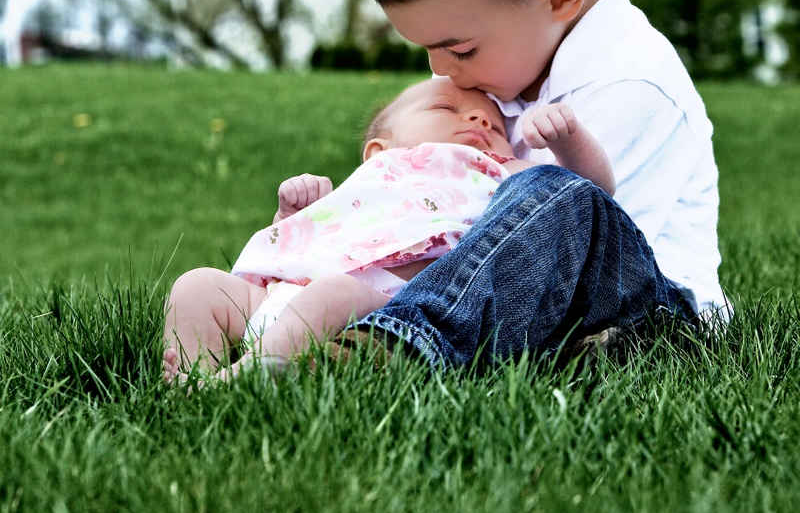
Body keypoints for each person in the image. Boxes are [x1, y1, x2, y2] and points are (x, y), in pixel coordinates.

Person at [348, 0, 730, 370]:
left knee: (553, 192)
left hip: (648, 305)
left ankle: (403, 342)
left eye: (460, 49)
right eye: (428, 50)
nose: (441, 70)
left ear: (560, 0)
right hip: (502, 286)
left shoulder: (632, 80)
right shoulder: (489, 70)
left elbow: (572, 235)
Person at [162, 77, 613, 383]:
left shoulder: (497, 169)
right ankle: (191, 376)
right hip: (283, 295)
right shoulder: (374, 177)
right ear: (379, 149)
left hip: (384, 306)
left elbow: (582, 198)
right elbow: (310, 240)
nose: (480, 121)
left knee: (333, 290)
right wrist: (293, 213)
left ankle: (247, 374)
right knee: (197, 286)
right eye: (447, 108)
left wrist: (567, 141)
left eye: (495, 125)